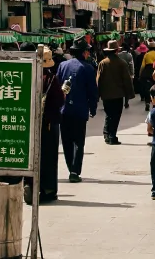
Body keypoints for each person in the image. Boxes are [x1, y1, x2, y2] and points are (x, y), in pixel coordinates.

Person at [25, 46, 65, 205]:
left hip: (30, 123)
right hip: (48, 124)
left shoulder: (28, 76)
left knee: (32, 155)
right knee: (48, 157)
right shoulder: (51, 79)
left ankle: (29, 185)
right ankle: (48, 190)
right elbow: (58, 101)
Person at [56, 37, 99, 182]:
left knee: (67, 141)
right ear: (83, 52)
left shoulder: (62, 65)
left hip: (64, 109)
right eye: (87, 51)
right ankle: (75, 171)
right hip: (80, 111)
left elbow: (57, 87)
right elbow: (92, 91)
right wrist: (93, 108)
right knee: (79, 142)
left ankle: (71, 168)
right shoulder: (88, 68)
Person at [97, 40, 135, 145]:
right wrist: (130, 94)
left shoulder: (102, 63)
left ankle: (106, 134)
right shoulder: (122, 63)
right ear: (117, 50)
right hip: (118, 95)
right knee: (116, 116)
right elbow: (127, 80)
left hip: (106, 95)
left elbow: (98, 80)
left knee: (108, 114)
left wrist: (97, 94)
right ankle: (112, 136)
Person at [139, 41, 155, 111]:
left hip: (147, 73)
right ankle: (154, 104)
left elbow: (142, 66)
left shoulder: (146, 55)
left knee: (147, 89)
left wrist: (140, 74)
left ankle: (147, 102)